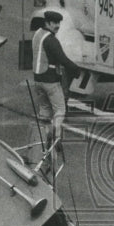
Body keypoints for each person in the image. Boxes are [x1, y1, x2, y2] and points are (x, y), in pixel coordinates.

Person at [28, 10, 81, 162]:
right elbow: (62, 59)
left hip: (37, 80)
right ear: (48, 23)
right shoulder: (51, 40)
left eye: (59, 23)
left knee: (44, 111)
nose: (57, 26)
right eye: (55, 23)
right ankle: (55, 137)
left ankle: (41, 144)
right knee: (60, 110)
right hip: (50, 81)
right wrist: (76, 70)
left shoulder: (38, 34)